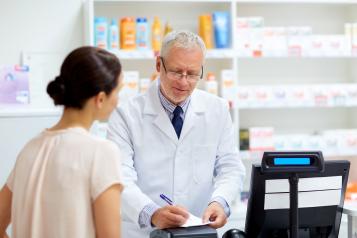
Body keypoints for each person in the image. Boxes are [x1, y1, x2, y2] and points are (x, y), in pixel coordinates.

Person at [107, 30, 246, 237]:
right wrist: (152, 212)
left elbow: (231, 167)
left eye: (192, 74)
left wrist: (220, 202)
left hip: (198, 230)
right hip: (144, 232)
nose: (183, 82)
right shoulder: (126, 114)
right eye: (175, 71)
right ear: (158, 65)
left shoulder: (217, 109)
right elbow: (119, 177)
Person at [0, 46, 124, 238]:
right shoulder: (102, 152)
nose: (118, 100)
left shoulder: (30, 149)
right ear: (100, 98)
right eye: (118, 91)